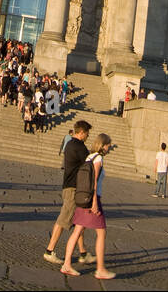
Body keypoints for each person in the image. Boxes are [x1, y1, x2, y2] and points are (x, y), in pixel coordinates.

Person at [61, 132, 115, 280]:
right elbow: (94, 182)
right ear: (103, 145)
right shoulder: (98, 159)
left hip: (83, 199)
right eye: (108, 145)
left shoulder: (89, 157)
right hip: (92, 199)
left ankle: (66, 264)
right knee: (101, 233)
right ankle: (100, 269)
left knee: (77, 231)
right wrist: (95, 203)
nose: (109, 148)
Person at [43, 119, 93, 267]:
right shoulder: (80, 147)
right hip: (73, 188)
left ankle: (83, 253)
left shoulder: (70, 144)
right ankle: (49, 250)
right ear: (82, 132)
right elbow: (89, 164)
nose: (88, 136)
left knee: (79, 221)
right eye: (87, 134)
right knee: (64, 219)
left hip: (68, 186)